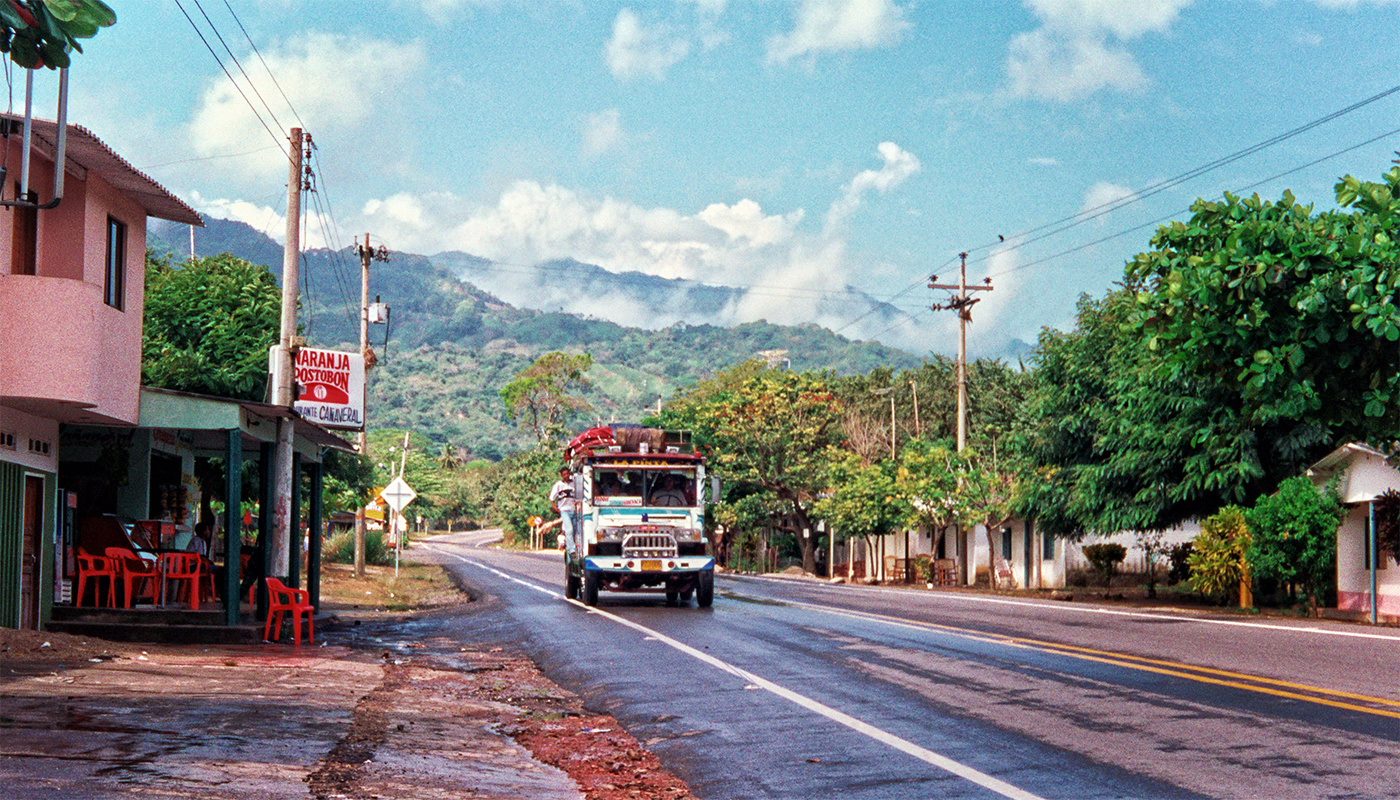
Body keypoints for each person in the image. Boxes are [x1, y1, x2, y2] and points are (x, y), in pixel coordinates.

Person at [549, 466, 580, 556]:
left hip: (573, 510)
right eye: (564, 474)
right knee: (569, 529)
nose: (566, 476)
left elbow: (578, 496)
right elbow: (552, 498)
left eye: (567, 474)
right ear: (562, 476)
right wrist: (555, 507)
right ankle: (571, 550)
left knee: (575, 530)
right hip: (564, 510)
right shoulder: (558, 485)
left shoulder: (574, 484)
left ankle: (573, 546)